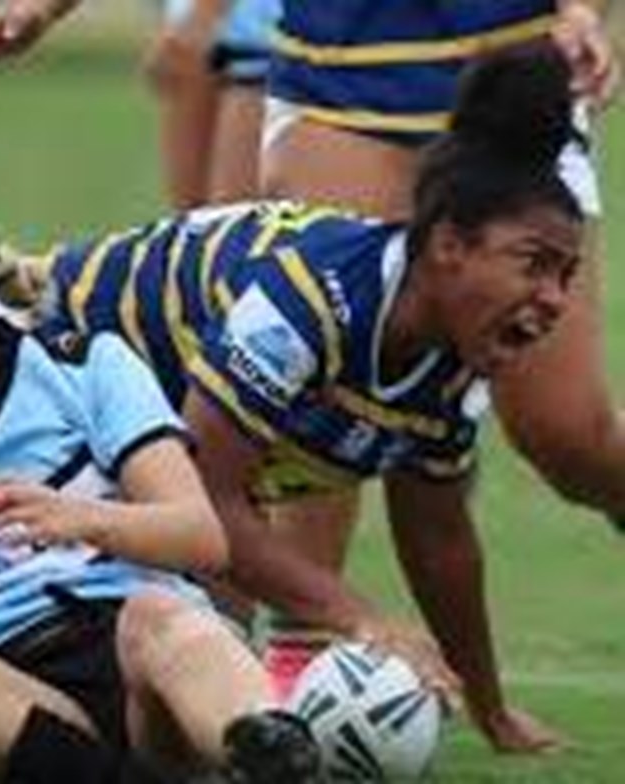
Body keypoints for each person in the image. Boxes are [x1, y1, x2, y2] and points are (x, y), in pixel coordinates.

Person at [0, 43, 585, 751]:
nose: (553, 300)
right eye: (534, 265)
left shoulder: (457, 368)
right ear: (450, 246)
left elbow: (439, 537)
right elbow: (209, 501)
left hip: (155, 461)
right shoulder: (307, 298)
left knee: (204, 688)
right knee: (126, 682)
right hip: (43, 385)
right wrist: (362, 620)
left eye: (566, 275)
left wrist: (490, 711)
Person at [0, 171, 324, 783]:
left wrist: (83, 518)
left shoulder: (84, 364)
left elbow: (201, 537)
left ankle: (268, 755)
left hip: (143, 669)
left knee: (159, 614)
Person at [256, 0, 622, 710]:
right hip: (343, 71)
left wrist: (581, 9)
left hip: (513, 63)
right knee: (333, 359)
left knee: (567, 435)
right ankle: (301, 656)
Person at [0, 0, 281, 207]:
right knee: (197, 255)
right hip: (212, 40)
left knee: (239, 260)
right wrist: (38, 11)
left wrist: (204, 17)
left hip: (269, 44)